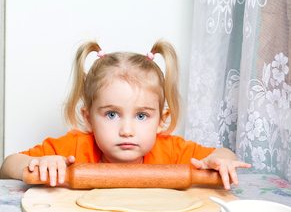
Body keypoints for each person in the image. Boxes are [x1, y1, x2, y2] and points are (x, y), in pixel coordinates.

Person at [0, 39, 250, 190]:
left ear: (162, 120)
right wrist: (38, 164)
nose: (127, 130)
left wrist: (219, 162)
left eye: (142, 116)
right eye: (111, 115)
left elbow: (223, 154)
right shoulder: (74, 149)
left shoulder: (172, 152)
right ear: (88, 118)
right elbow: (7, 165)